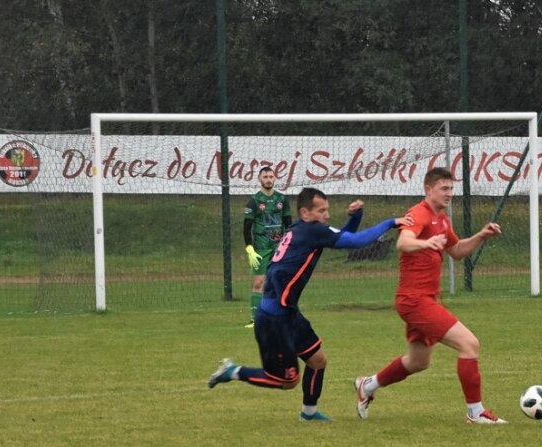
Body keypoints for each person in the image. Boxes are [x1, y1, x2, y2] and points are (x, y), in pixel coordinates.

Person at [209, 187, 414, 421]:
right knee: (287, 380)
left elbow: (342, 239)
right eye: (321, 211)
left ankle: (309, 413)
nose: (326, 215)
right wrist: (390, 222)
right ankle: (232, 371)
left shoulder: (304, 229)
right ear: (305, 213)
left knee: (317, 361)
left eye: (327, 209)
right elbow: (355, 242)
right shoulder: (311, 231)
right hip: (274, 318)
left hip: (288, 312)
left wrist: (355, 218)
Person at [354, 167, 507, 425]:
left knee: (418, 361)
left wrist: (481, 235)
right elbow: (404, 242)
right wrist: (425, 244)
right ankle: (475, 412)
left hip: (424, 299)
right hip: (414, 300)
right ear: (428, 189)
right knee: (469, 344)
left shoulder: (443, 219)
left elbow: (456, 250)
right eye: (444, 188)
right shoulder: (418, 214)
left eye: (451, 189)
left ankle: (367, 385)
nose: (449, 193)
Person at [243, 166, 292, 328]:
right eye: (265, 177)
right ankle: (255, 319)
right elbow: (246, 227)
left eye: (271, 176)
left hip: (279, 248)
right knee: (259, 282)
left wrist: (289, 245)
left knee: (279, 281)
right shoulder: (254, 201)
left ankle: (280, 316)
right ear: (259, 179)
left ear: (275, 179)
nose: (269, 179)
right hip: (261, 249)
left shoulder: (282, 199)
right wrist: (249, 248)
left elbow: (289, 225)